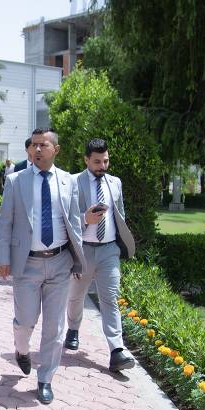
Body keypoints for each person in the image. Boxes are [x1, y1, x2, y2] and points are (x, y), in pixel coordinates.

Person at [0, 128, 84, 404]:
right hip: (26, 263)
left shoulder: (68, 181)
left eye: (43, 145)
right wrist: (2, 258)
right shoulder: (16, 181)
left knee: (54, 327)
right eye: (33, 145)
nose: (36, 150)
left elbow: (74, 222)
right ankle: (21, 350)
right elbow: (5, 222)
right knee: (25, 321)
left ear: (56, 149)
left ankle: (45, 378)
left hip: (60, 261)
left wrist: (79, 259)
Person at [64, 138, 137, 372]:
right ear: (86, 160)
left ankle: (117, 350)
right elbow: (66, 219)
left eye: (105, 161)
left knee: (110, 299)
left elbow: (120, 214)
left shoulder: (115, 183)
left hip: (109, 251)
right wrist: (85, 219)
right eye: (97, 162)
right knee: (76, 296)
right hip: (83, 249)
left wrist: (121, 243)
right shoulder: (73, 182)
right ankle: (73, 329)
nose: (102, 166)